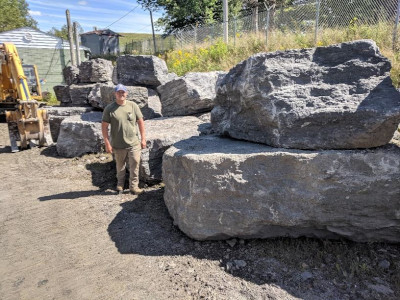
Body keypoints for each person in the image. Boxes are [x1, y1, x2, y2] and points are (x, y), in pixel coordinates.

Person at [102, 84, 146, 195]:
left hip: (133, 143)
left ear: (126, 93)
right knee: (120, 166)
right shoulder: (109, 109)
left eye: (123, 92)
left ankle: (134, 187)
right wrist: (107, 143)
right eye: (118, 92)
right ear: (115, 94)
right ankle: (120, 185)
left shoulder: (133, 106)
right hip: (118, 144)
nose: (121, 94)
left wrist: (143, 139)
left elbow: (140, 122)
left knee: (135, 163)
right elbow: (104, 126)